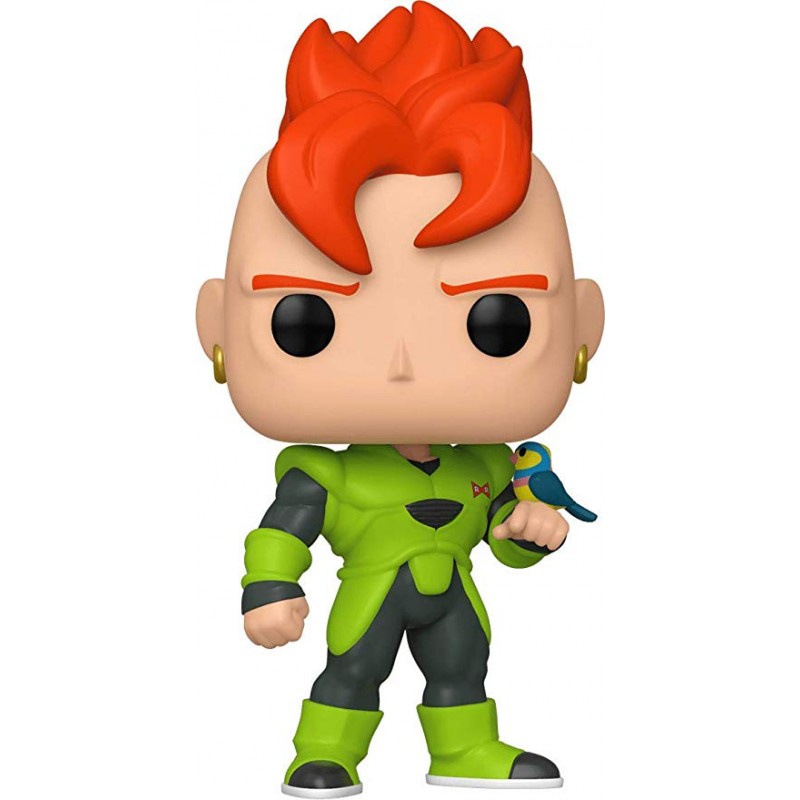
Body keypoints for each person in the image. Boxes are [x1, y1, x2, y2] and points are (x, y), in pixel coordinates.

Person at [196, 3, 604, 796]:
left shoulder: (491, 465)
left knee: (464, 666)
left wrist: (530, 531)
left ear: (585, 329)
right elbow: (280, 533)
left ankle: (465, 751)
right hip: (369, 599)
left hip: (454, 596)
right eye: (305, 322)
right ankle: (326, 753)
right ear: (216, 330)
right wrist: (269, 589)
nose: (400, 365)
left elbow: (504, 539)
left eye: (498, 321)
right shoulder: (323, 473)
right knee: (353, 671)